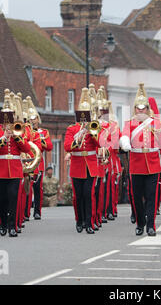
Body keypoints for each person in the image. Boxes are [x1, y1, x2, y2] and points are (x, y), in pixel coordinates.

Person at [119, 83, 161, 237]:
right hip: (136, 165)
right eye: (138, 108)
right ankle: (140, 222)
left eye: (143, 108)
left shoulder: (156, 124)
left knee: (151, 197)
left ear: (148, 109)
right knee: (136, 197)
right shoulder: (129, 123)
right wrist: (125, 143)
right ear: (135, 109)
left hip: (153, 165)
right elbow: (124, 136)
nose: (141, 111)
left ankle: (151, 225)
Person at [0, 96, 32, 237]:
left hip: (15, 170)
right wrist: (3, 138)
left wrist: (16, 137)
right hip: (0, 170)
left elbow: (26, 149)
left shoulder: (18, 132)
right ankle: (2, 224)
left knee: (13, 197)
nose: (7, 123)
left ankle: (13, 226)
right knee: (1, 200)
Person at [65, 88, 105, 235]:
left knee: (89, 193)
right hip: (77, 165)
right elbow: (67, 146)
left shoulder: (94, 127)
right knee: (78, 196)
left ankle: (89, 222)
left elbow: (100, 143)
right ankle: (79, 220)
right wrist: (79, 134)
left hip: (90, 165)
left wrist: (91, 132)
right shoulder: (71, 129)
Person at [28, 97, 53, 220]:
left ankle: (37, 211)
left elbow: (49, 146)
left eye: (35, 119)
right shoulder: (25, 131)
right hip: (27, 161)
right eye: (31, 119)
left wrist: (41, 140)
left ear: (38, 119)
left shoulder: (44, 132)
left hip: (38, 163)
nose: (33, 121)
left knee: (37, 188)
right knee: (27, 188)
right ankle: (25, 212)